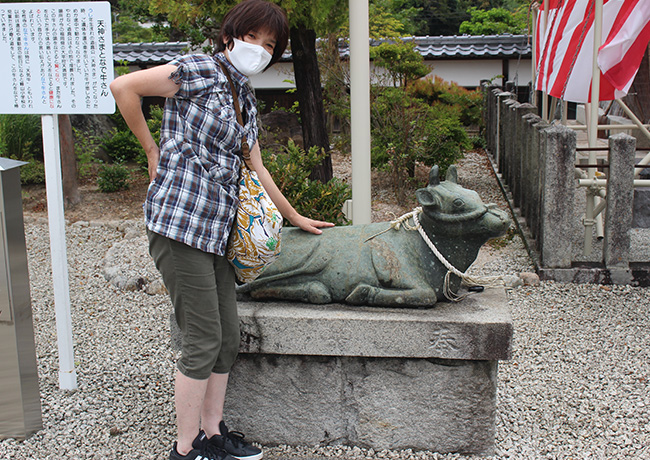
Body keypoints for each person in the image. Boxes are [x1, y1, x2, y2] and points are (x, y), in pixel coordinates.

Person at [110, 1, 334, 459]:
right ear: (231, 34)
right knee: (202, 337)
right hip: (178, 222)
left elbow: (257, 166)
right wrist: (151, 150)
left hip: (215, 229)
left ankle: (214, 433)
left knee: (227, 336)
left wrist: (295, 217)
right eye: (253, 37)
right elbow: (123, 87)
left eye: (270, 45)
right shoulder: (196, 70)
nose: (260, 49)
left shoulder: (244, 95)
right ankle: (185, 446)